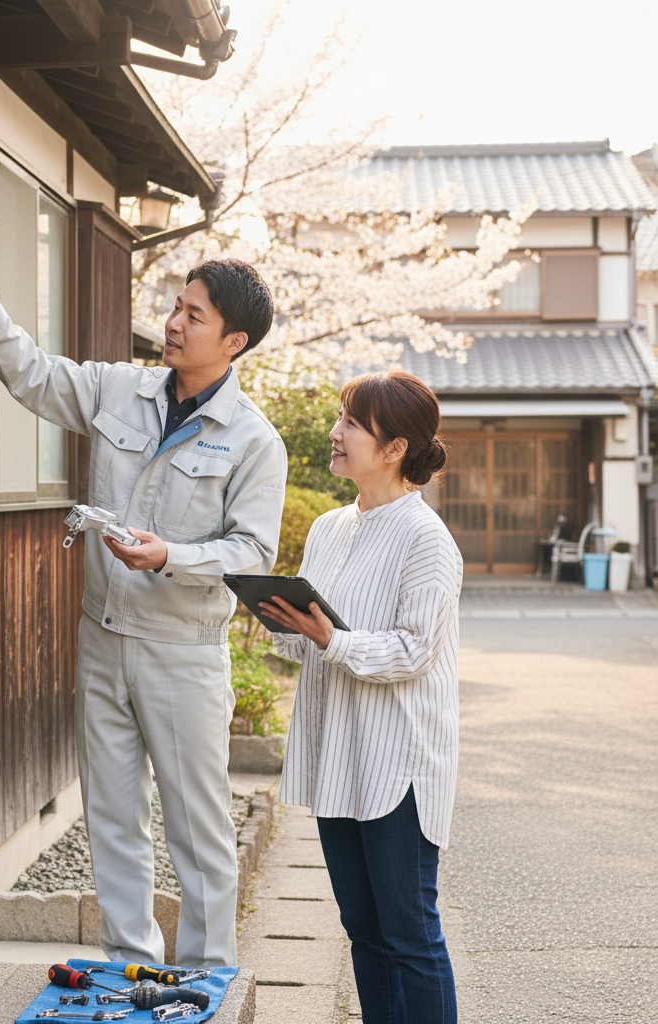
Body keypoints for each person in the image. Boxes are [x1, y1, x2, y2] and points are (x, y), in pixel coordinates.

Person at [0, 249, 287, 968]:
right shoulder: (118, 390)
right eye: (175, 306)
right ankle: (129, 966)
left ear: (234, 342)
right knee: (111, 816)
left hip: (183, 653)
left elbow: (253, 555)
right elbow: (37, 378)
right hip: (102, 640)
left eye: (193, 316)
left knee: (198, 829)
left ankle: (204, 980)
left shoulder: (256, 440)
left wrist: (170, 555)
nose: (171, 323)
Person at [259, 369, 461, 1024]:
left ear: (395, 447)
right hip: (336, 760)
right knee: (363, 932)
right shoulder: (328, 527)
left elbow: (412, 651)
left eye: (350, 422)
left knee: (410, 935)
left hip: (398, 765)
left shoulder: (426, 539)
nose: (334, 432)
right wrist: (282, 624)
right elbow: (315, 640)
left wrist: (332, 641)